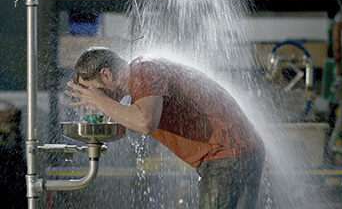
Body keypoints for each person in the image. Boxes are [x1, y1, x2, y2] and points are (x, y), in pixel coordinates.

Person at [65, 47, 265, 209]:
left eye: (91, 91)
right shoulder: (141, 80)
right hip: (239, 151)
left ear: (106, 75)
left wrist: (103, 102)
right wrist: (104, 107)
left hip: (227, 156)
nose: (91, 100)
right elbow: (136, 119)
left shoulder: (143, 69)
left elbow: (145, 123)